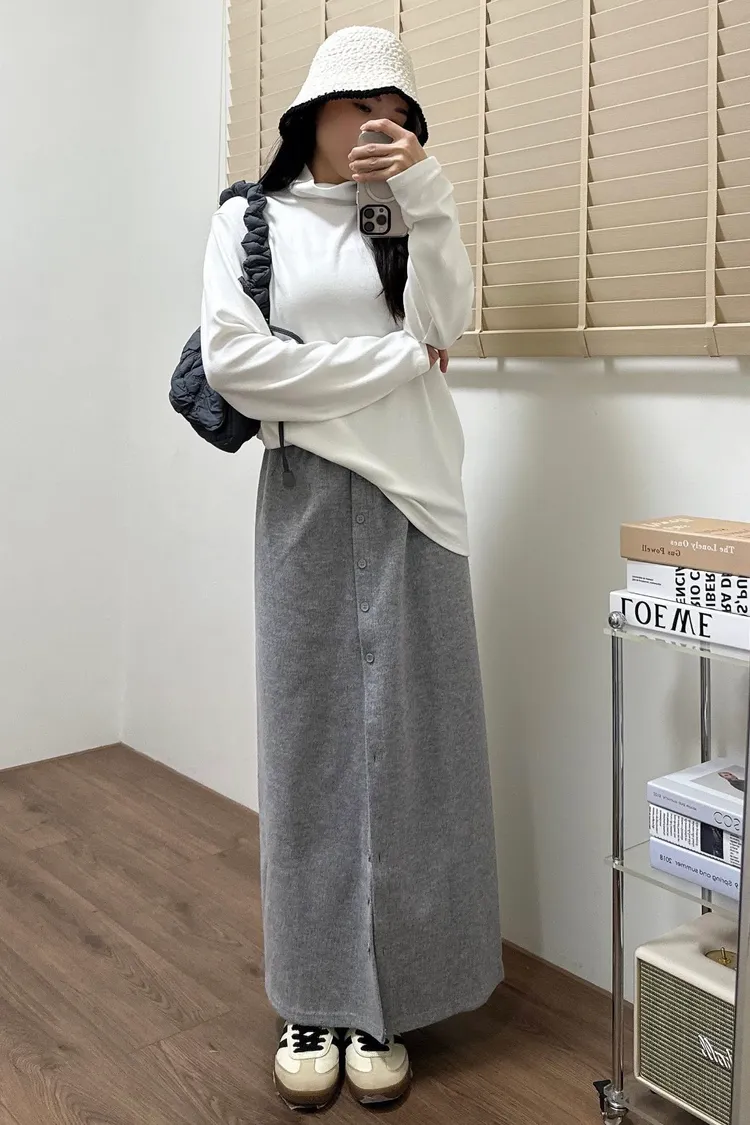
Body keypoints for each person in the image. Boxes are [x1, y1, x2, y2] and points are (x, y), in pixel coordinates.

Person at [200, 24, 503, 1113]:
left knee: (420, 755)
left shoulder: (408, 210)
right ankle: (314, 997)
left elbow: (451, 320)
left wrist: (426, 190)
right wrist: (395, 360)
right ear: (312, 112)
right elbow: (239, 366)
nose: (379, 122)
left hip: (418, 498)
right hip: (306, 498)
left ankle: (391, 1001)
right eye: (359, 102)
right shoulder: (250, 219)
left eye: (398, 109)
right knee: (310, 748)